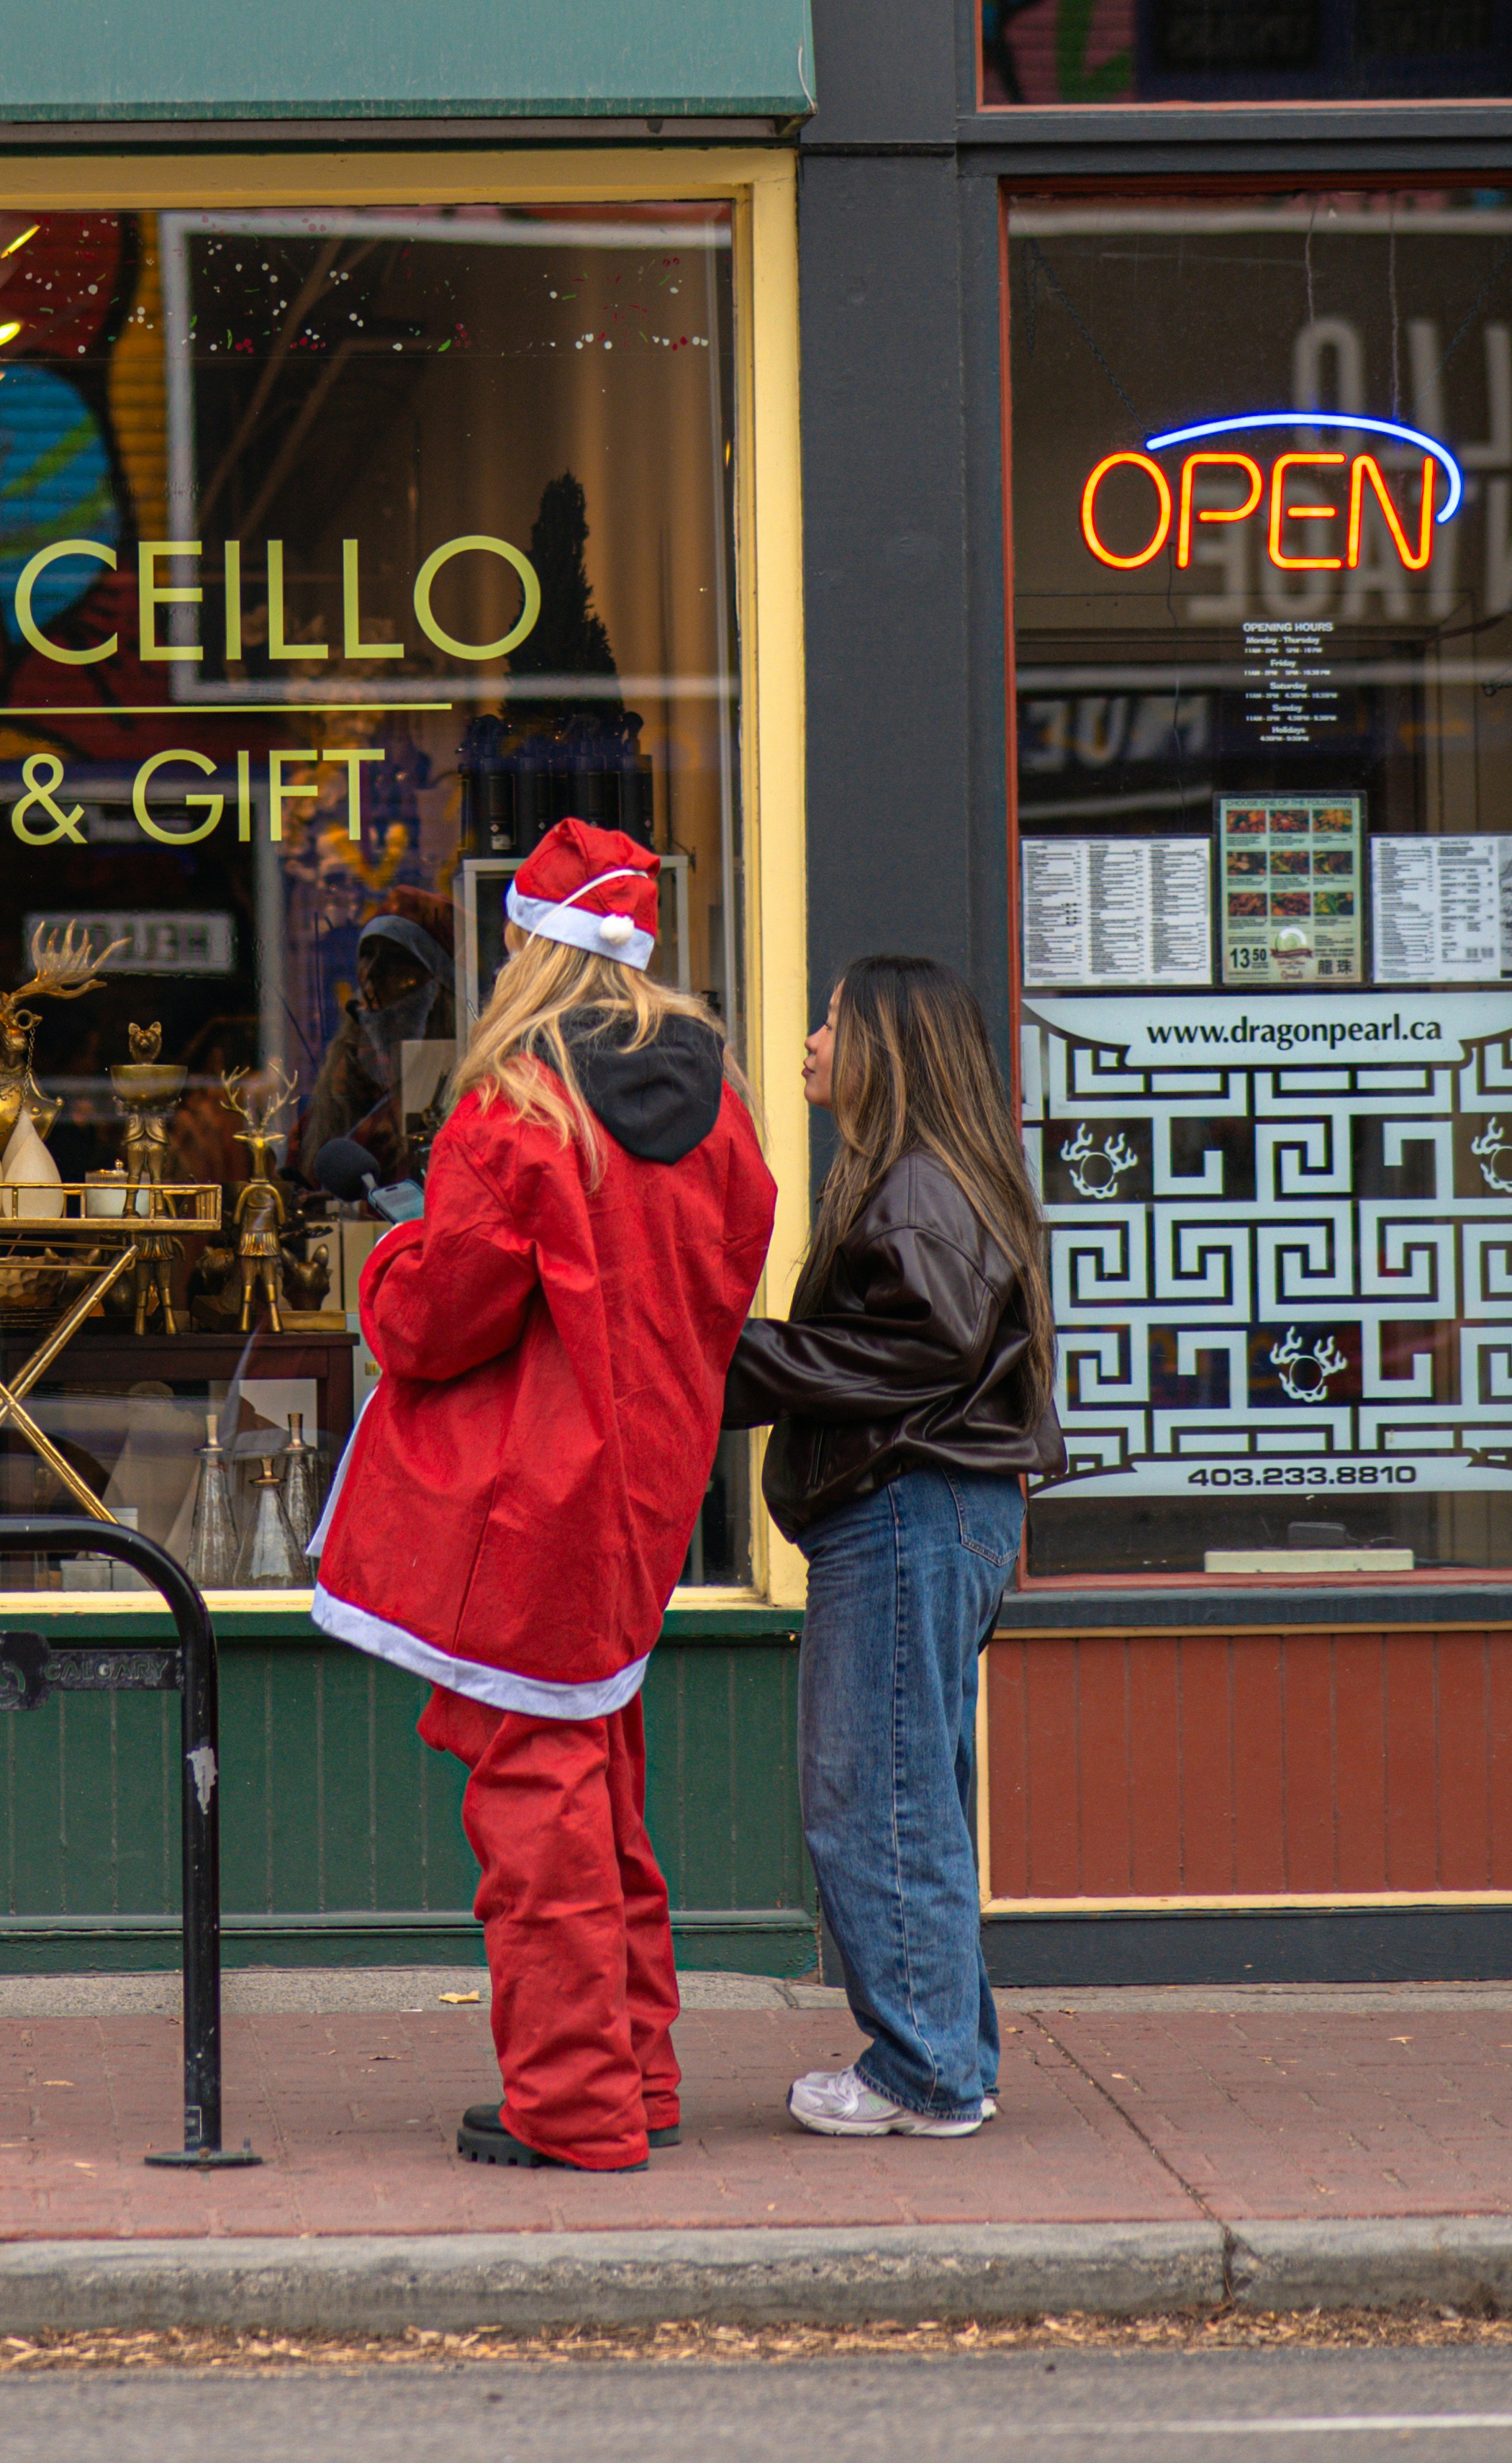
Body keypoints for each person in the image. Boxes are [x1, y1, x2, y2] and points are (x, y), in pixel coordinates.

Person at [312, 823, 777, 2172]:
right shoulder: (720, 1103)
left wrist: (390, 1252)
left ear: (534, 946)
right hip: (645, 1491)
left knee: (538, 1808)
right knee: (600, 1785)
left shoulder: (520, 1103)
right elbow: (728, 1275)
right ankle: (634, 2067)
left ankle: (572, 2103)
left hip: (530, 1503)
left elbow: (436, 1318)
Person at [723, 950, 1064, 2143]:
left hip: (908, 1503)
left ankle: (923, 2070)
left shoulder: (916, 1185)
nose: (810, 1039)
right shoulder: (933, 1177)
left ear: (883, 1046)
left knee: (876, 1789)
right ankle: (945, 2051)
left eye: (828, 1020)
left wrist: (733, 1360)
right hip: (934, 1504)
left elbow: (914, 1354)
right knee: (909, 1787)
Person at [296, 909, 454, 1208]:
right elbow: (303, 1175)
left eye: (395, 959)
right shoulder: (343, 1072)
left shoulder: (452, 1079)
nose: (374, 971)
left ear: (433, 984)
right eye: (368, 956)